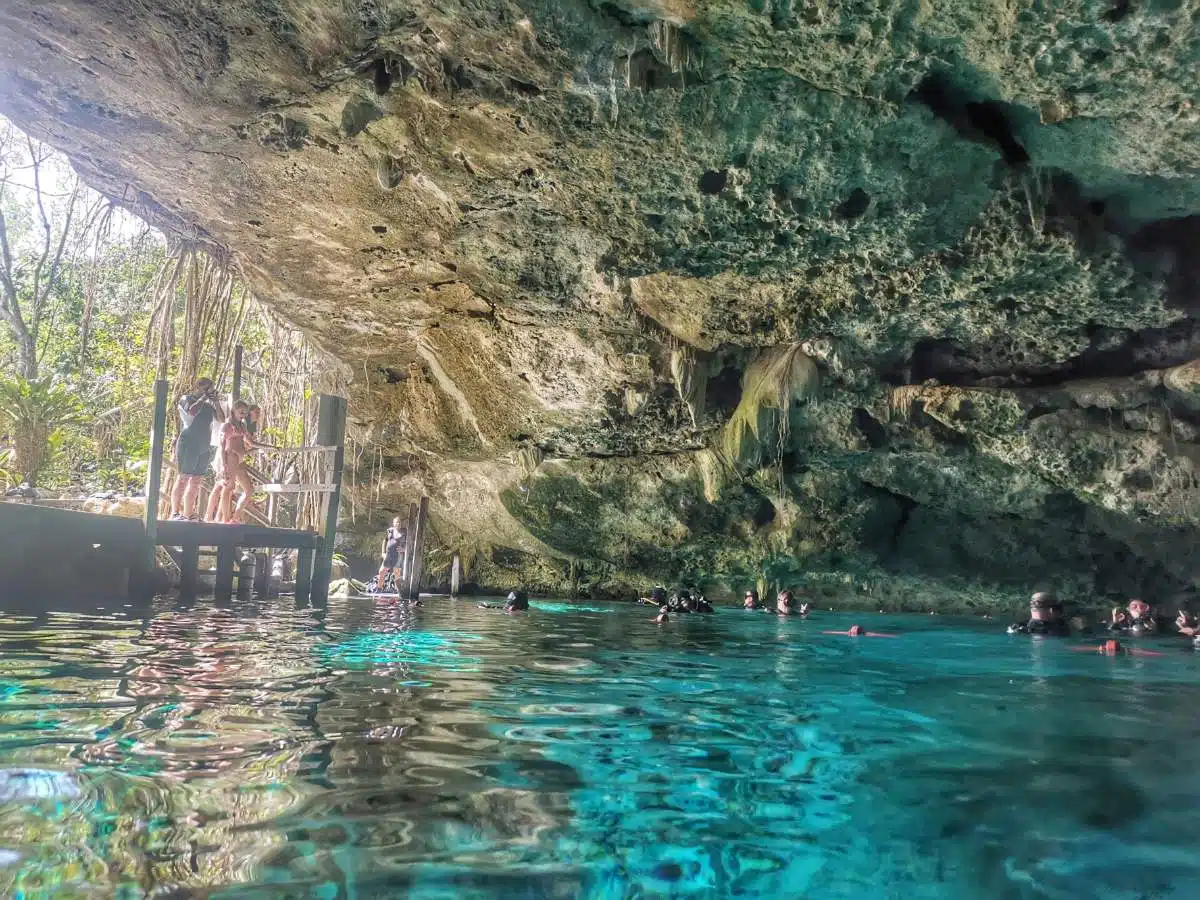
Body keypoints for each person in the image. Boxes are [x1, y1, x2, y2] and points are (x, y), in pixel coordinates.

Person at [169, 377, 223, 520]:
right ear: (198, 386)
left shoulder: (209, 405)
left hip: (204, 444)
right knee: (183, 478)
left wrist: (216, 401)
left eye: (210, 389)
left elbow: (221, 418)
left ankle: (188, 512)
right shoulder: (186, 399)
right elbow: (191, 412)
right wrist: (203, 397)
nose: (208, 391)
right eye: (205, 388)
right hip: (189, 442)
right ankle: (175, 512)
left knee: (196, 480)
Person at [211, 401, 262, 524]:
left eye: (245, 413)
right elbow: (222, 445)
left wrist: (268, 447)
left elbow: (251, 443)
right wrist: (223, 465)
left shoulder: (242, 426)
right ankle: (226, 519)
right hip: (230, 457)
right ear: (234, 410)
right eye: (241, 412)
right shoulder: (227, 426)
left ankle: (235, 516)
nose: (243, 415)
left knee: (249, 490)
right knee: (228, 487)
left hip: (240, 459)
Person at [1007, 591, 1071, 636]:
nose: (1033, 604)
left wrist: (1028, 631)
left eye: (1036, 602)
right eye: (1032, 602)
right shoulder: (1035, 622)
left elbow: (1053, 632)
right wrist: (1020, 624)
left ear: (1051, 610)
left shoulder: (1060, 625)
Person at [376, 516, 406, 593]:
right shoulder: (390, 531)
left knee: (397, 574)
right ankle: (379, 589)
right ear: (393, 523)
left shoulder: (404, 533)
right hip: (389, 555)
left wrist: (404, 550)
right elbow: (384, 541)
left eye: (399, 522)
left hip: (398, 556)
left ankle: (398, 592)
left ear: (401, 524)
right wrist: (383, 553)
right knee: (382, 571)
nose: (398, 524)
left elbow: (410, 544)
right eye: (396, 522)